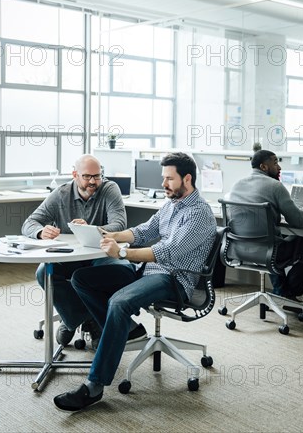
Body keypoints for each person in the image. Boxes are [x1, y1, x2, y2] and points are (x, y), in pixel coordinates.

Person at [53, 152, 217, 411]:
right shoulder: (172, 204)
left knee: (119, 302)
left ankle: (94, 386)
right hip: (148, 269)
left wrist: (121, 252)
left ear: (187, 179)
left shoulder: (199, 214)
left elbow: (167, 252)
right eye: (163, 178)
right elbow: (143, 232)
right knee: (81, 279)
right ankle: (126, 329)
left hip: (174, 279)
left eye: (169, 179)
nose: (163, 184)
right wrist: (105, 233)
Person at [22, 154, 146, 349]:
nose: (93, 181)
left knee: (121, 269)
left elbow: (120, 223)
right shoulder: (61, 193)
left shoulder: (109, 188)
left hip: (100, 254)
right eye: (87, 176)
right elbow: (30, 223)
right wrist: (40, 231)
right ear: (75, 175)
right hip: (71, 257)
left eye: (97, 176)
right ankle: (77, 318)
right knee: (43, 273)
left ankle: (85, 320)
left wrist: (91, 228)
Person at [228, 149, 303, 299]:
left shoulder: (236, 185)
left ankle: (280, 290)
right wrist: (302, 211)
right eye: (276, 162)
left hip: (239, 248)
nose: (279, 167)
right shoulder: (275, 186)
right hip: (267, 250)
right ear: (264, 167)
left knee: (273, 239)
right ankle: (289, 292)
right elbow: (297, 222)